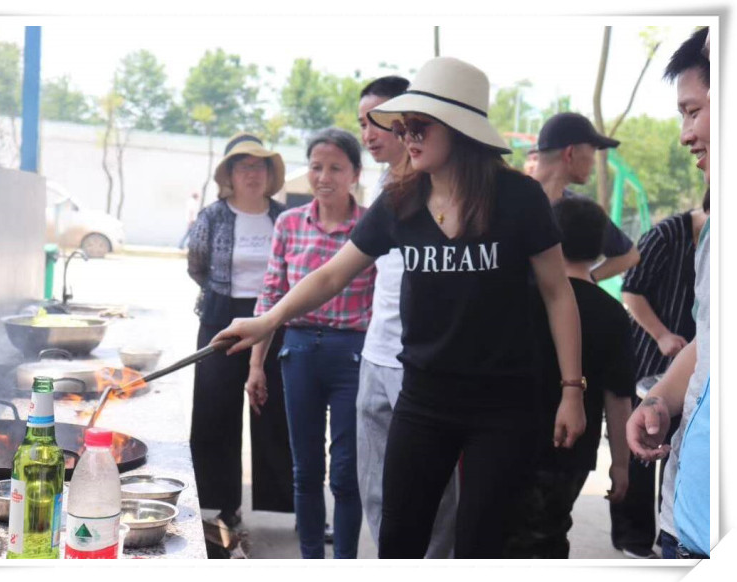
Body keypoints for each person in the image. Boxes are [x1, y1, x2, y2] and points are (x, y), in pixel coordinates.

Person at [214, 57, 586, 559]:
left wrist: (571, 391)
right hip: (424, 398)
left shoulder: (518, 198)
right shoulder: (403, 200)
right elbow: (331, 274)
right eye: (403, 125)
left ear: (460, 128)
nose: (406, 136)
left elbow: (557, 292)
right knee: (398, 541)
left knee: (481, 545)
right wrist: (268, 321)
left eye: (419, 126)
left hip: (504, 406)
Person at [245, 127, 375, 559]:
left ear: (355, 173)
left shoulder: (372, 226)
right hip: (297, 352)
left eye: (336, 167)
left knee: (345, 473)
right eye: (317, 167)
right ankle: (310, 561)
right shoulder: (288, 223)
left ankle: (345, 563)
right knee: (305, 471)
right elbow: (270, 297)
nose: (324, 176)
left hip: (353, 357)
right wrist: (256, 364)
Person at [356, 75, 458, 558]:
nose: (370, 133)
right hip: (375, 356)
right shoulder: (384, 190)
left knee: (434, 500)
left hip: (423, 367)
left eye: (381, 122)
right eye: (363, 123)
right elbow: (338, 274)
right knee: (376, 490)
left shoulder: (447, 191)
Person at [504, 195, 634, 559]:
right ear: (599, 249)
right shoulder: (612, 314)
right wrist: (621, 465)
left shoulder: (520, 298)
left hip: (509, 440)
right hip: (572, 451)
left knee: (501, 538)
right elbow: (619, 397)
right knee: (550, 535)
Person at [626, 26, 711, 560]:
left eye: (694, 110)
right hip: (683, 527)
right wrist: (660, 397)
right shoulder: (672, 233)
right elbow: (631, 291)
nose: (685, 133)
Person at [186, 133, 293, 529]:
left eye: (259, 165)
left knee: (276, 410)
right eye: (243, 166)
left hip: (276, 319)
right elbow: (196, 265)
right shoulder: (213, 215)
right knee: (216, 411)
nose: (252, 173)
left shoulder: (284, 217)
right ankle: (220, 504)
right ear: (230, 174)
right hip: (221, 319)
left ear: (270, 173)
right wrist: (224, 298)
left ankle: (288, 505)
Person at [610, 203, 707, 559]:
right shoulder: (666, 235)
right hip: (651, 362)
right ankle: (632, 539)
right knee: (640, 452)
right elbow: (631, 291)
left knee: (674, 451)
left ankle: (662, 530)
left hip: (691, 373)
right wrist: (663, 334)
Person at [533, 112, 640, 282]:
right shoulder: (512, 199)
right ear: (570, 153)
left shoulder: (577, 213)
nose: (593, 161)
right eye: (593, 151)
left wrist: (579, 282)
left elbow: (629, 255)